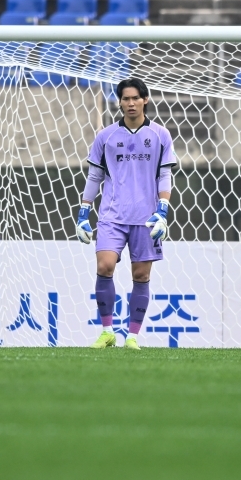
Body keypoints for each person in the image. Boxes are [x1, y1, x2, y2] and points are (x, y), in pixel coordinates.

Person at [76, 78, 177, 350]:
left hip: (147, 218)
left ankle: (132, 336)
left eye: (135, 98)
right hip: (112, 215)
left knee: (141, 276)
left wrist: (163, 211)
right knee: (104, 266)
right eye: (125, 99)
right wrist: (83, 213)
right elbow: (94, 176)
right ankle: (107, 331)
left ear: (145, 100)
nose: (130, 103)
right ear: (119, 102)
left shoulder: (160, 135)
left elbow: (164, 176)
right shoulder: (106, 136)